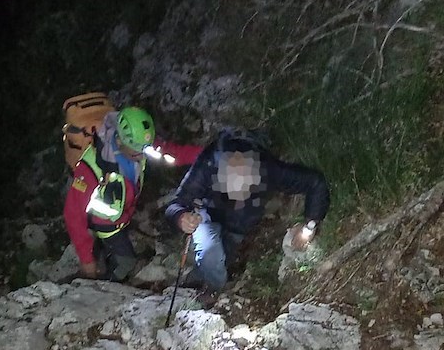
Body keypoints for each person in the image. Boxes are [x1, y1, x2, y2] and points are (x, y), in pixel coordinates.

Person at [165, 128, 330, 297]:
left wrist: (309, 227)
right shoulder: (210, 163)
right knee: (210, 255)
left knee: (221, 262)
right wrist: (181, 217)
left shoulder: (268, 170)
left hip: (239, 227)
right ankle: (216, 294)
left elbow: (315, 182)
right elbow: (177, 204)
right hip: (207, 218)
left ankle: (199, 280)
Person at [64, 107, 203, 281]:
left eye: (144, 149)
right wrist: (86, 260)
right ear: (120, 141)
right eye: (136, 151)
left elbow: (174, 153)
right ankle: (104, 285)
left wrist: (208, 153)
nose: (142, 155)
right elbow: (73, 214)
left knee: (107, 255)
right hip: (104, 226)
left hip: (122, 216)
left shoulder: (139, 145)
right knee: (126, 262)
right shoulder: (92, 167)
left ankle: (102, 261)